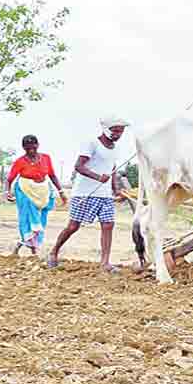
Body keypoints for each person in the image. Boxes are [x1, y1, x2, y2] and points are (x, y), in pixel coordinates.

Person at [47, 116, 128, 272]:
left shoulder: (116, 149)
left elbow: (112, 169)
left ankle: (105, 263)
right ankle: (54, 251)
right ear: (106, 129)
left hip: (105, 195)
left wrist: (116, 189)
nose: (118, 134)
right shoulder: (92, 143)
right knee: (73, 226)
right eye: (116, 131)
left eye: (121, 132)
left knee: (108, 224)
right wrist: (98, 177)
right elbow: (78, 166)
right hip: (85, 193)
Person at [4, 135, 68, 256]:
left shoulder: (46, 158)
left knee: (39, 220)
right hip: (25, 191)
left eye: (33, 147)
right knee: (27, 219)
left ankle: (21, 245)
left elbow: (52, 175)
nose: (31, 151)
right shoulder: (20, 162)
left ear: (38, 145)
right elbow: (9, 179)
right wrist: (7, 192)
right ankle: (34, 251)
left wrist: (61, 192)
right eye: (28, 149)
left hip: (42, 191)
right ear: (23, 148)